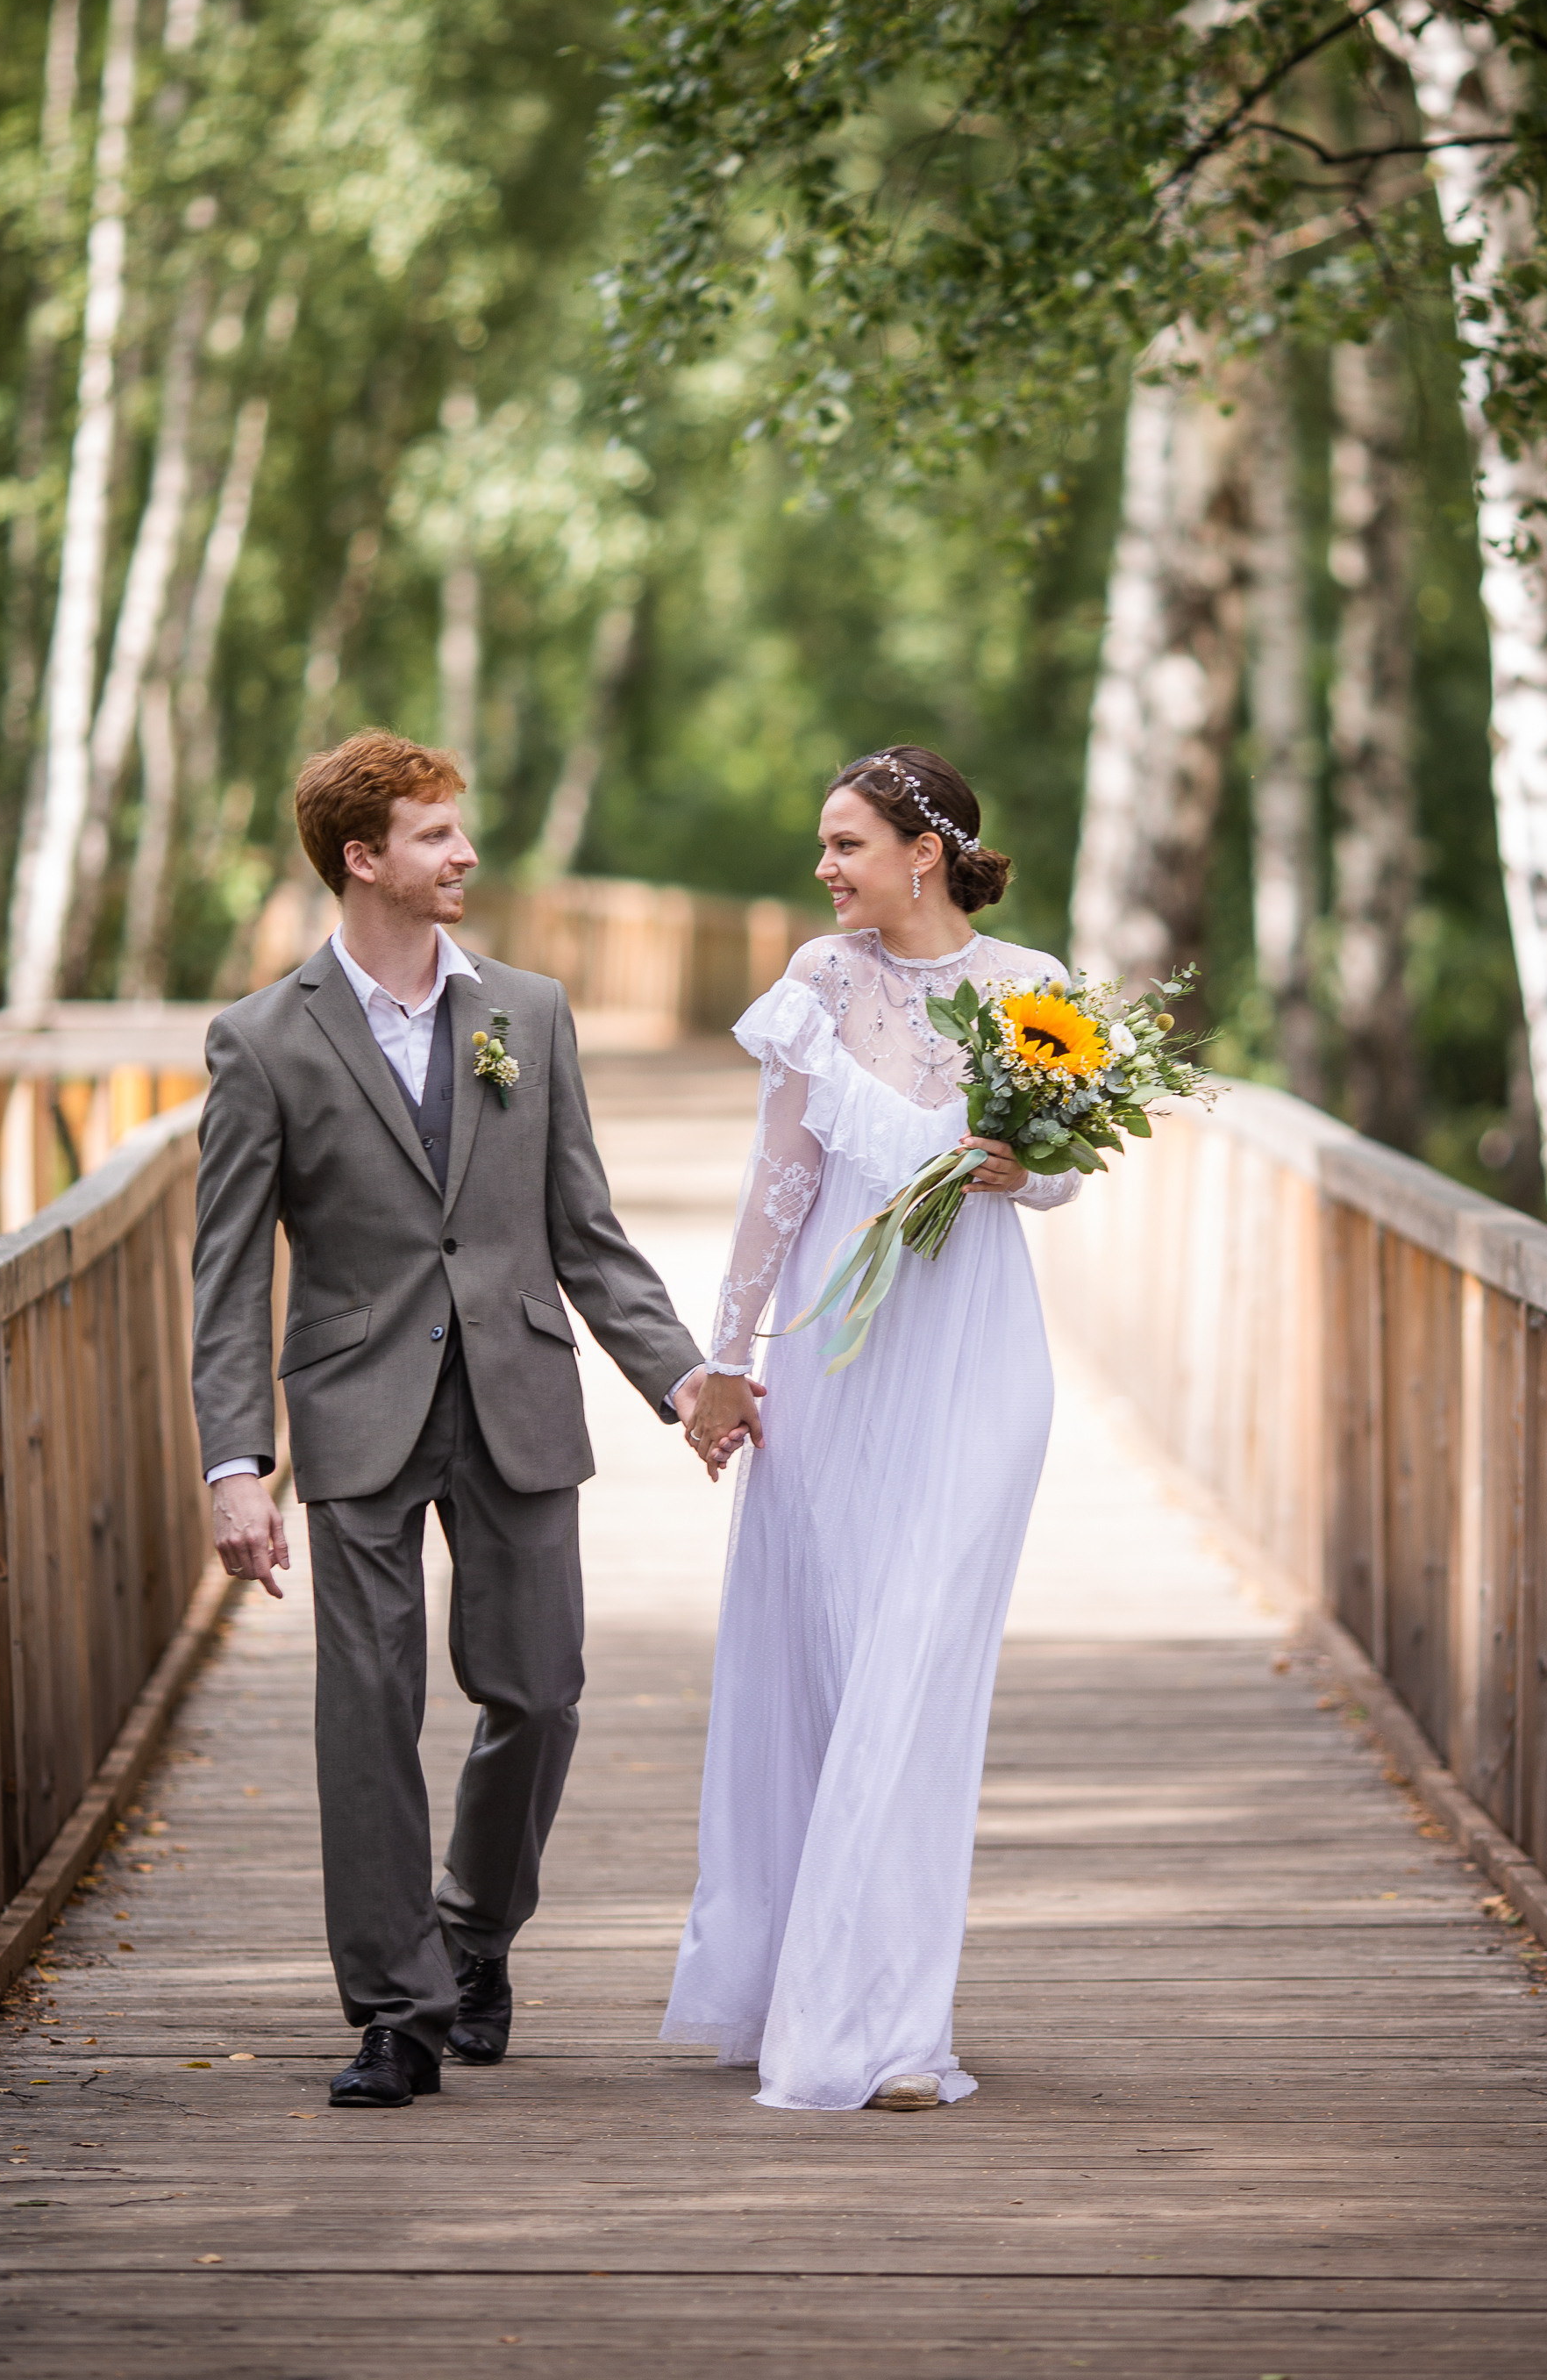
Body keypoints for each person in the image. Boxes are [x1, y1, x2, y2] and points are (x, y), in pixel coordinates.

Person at [190, 730, 738, 2109]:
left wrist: (682, 1379)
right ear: (362, 858)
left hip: (519, 1397)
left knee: (538, 1694)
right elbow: (228, 1272)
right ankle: (396, 2012)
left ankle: (474, 1935)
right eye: (436, 834)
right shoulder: (262, 1040)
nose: (466, 854)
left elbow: (586, 1232)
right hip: (355, 1405)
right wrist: (236, 1462)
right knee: (367, 1711)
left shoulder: (527, 1016)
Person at [664, 746, 1081, 2112]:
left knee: (918, 1670)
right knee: (825, 1664)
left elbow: (1065, 1178)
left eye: (847, 843)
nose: (826, 867)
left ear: (926, 852)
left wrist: (1023, 1169)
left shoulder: (1033, 988)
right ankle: (801, 1978)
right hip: (836, 1357)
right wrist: (726, 1360)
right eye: (825, 844)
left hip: (975, 1360)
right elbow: (779, 1177)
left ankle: (891, 2030)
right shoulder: (820, 982)